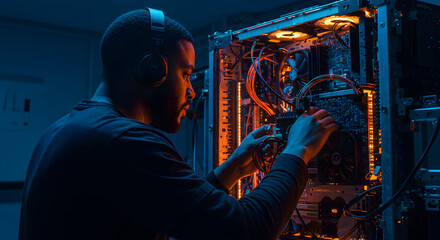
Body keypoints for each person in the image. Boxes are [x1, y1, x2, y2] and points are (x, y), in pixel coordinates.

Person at [19, 8, 338, 240]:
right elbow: (245, 230)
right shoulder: (124, 141)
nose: (192, 91)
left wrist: (235, 167)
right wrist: (298, 150)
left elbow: (172, 216)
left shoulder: (69, 129)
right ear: (151, 69)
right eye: (185, 74)